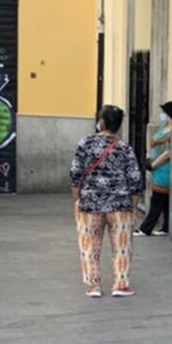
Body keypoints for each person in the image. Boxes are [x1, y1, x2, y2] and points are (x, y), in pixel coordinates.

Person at [69, 105, 143, 298]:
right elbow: (135, 178)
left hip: (90, 203)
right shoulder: (125, 147)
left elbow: (75, 174)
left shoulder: (85, 143)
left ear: (100, 121)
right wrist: (133, 206)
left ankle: (93, 286)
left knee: (89, 246)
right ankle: (120, 284)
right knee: (122, 246)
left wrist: (77, 200)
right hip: (119, 204)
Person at [134, 101, 172, 237]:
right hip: (158, 166)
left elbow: (168, 152)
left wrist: (153, 165)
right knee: (164, 201)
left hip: (163, 167)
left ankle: (146, 228)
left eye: (164, 112)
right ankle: (166, 227)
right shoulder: (165, 127)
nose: (162, 115)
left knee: (156, 200)